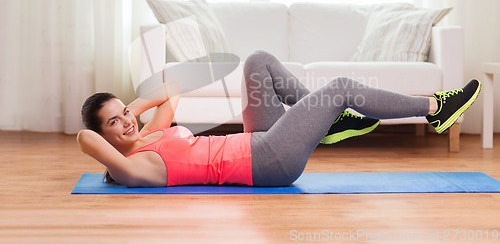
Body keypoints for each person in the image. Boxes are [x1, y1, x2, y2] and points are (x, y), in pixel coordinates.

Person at [77, 50, 481, 187]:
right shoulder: (135, 168)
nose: (126, 121)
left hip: (256, 141)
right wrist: (111, 126)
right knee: (340, 87)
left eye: (124, 113)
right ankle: (435, 109)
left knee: (258, 61)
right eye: (113, 123)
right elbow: (83, 137)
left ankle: (330, 124)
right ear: (104, 137)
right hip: (267, 161)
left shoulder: (150, 133)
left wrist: (130, 107)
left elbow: (172, 89)